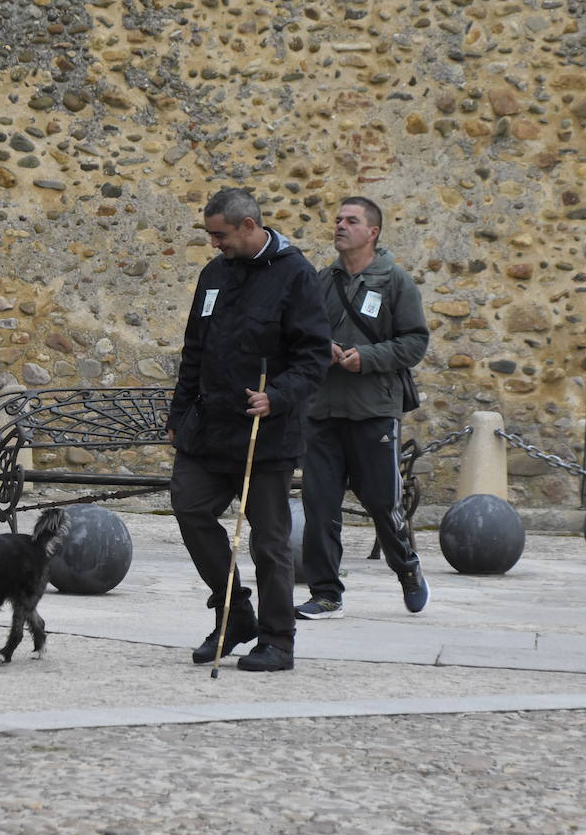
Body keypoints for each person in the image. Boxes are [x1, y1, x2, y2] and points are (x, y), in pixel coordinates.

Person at [167, 187, 330, 672]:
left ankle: (277, 640)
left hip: (268, 434)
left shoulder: (297, 275)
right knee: (190, 508)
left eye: (220, 235)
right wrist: (178, 417)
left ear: (247, 226)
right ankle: (234, 612)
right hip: (209, 429)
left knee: (269, 540)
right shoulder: (214, 274)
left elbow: (314, 355)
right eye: (209, 235)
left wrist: (275, 396)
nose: (214, 244)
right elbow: (193, 350)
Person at [295, 197, 430, 620]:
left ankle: (406, 567)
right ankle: (326, 593)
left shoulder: (395, 281)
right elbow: (302, 333)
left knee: (381, 503)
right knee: (319, 506)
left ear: (372, 232)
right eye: (337, 219)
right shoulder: (321, 280)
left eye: (350, 221)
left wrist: (366, 358)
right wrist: (324, 347)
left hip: (374, 411)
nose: (340, 226)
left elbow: (415, 342)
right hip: (322, 411)